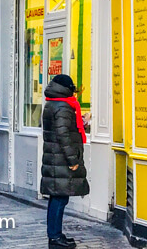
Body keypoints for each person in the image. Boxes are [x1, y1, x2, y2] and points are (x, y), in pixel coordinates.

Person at [41, 74, 89, 249]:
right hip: (60, 160)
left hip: (55, 159)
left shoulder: (53, 103)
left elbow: (61, 130)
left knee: (57, 198)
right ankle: (54, 238)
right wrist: (72, 160)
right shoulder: (63, 107)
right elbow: (63, 135)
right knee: (59, 199)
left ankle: (56, 234)